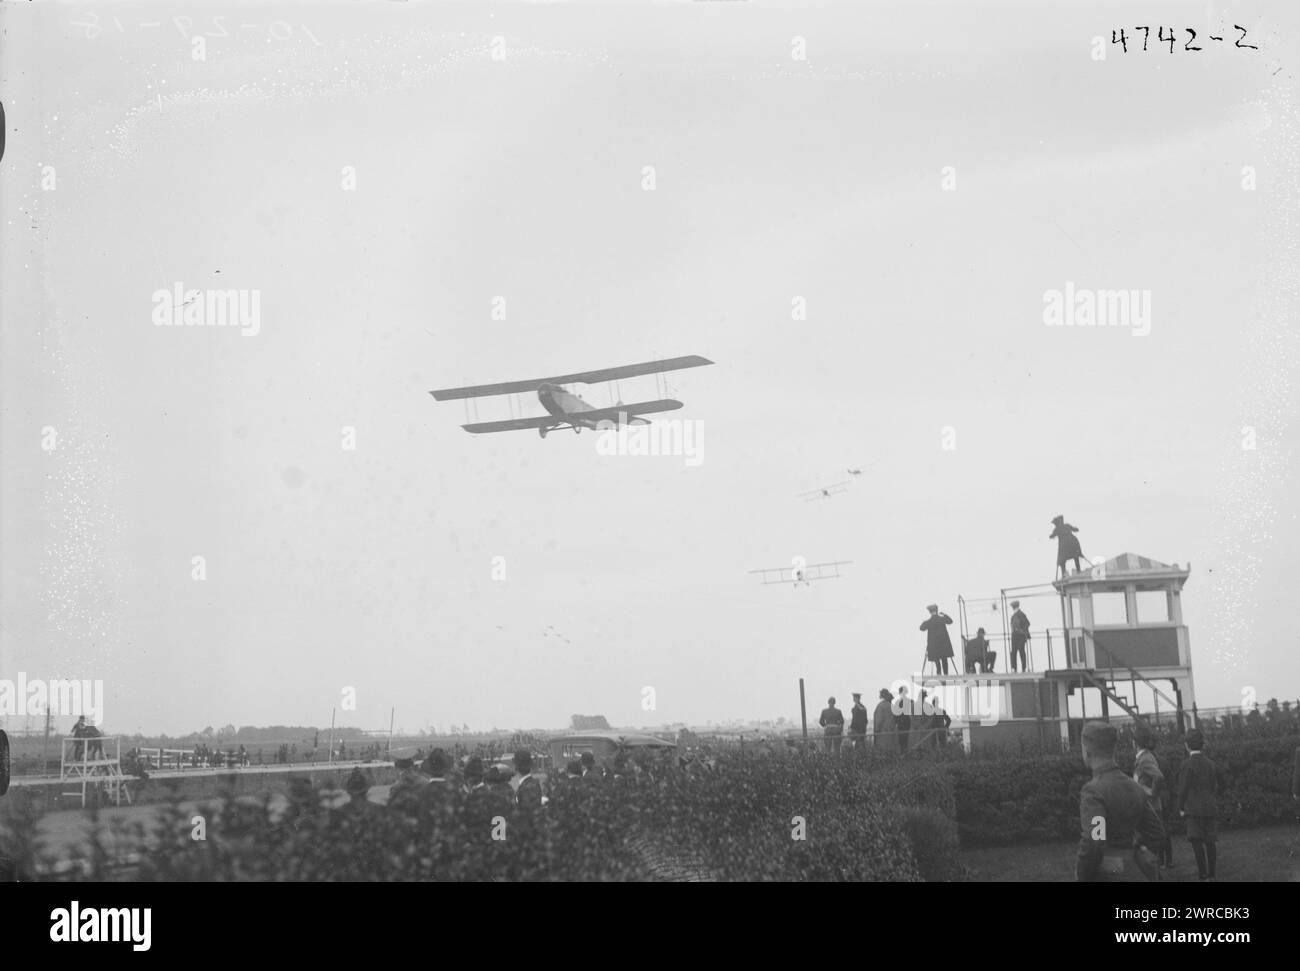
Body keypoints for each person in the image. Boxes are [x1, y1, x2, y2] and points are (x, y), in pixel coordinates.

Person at [1076, 721, 1164, 881]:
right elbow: (1156, 831)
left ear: (1087, 751)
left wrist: (1082, 876)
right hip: (1135, 871)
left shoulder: (1093, 791)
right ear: (1113, 748)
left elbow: (1094, 841)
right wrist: (1138, 854)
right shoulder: (1134, 786)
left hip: (1106, 874)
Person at [1176, 729, 1220, 882]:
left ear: (1187, 745)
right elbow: (1216, 785)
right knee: (1210, 842)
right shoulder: (1211, 764)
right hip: (1210, 807)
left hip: (1193, 809)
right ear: (1203, 745)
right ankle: (1212, 875)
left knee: (1197, 842)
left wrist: (1181, 807)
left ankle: (1202, 875)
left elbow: (1182, 789)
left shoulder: (1186, 765)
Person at [1132, 725, 1173, 869]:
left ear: (1135, 743)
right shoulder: (1145, 757)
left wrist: (1151, 791)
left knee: (1147, 846)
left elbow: (1159, 776)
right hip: (1148, 806)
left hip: (1150, 806)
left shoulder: (1145, 759)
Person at [920, 605, 954, 675]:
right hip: (943, 644)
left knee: (936, 659)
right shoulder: (942, 619)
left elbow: (921, 628)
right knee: (944, 659)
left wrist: (925, 622)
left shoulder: (929, 622)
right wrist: (944, 615)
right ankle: (946, 674)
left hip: (934, 646)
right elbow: (950, 621)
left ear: (930, 612)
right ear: (937, 610)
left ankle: (939, 673)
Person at [873, 688, 898, 752]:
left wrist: (876, 731)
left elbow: (879, 721)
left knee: (882, 752)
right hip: (891, 733)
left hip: (882, 734)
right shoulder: (891, 706)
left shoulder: (880, 706)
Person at [1009, 600, 1031, 672]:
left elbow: (1027, 623)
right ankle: (1014, 668)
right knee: (1014, 652)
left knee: (1021, 651)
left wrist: (1022, 630)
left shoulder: (1021, 614)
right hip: (1015, 635)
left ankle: (1023, 667)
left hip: (1020, 635)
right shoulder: (1015, 615)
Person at [895, 686, 913, 753]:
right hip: (907, 725)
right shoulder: (910, 702)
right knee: (905, 743)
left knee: (903, 744)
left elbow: (896, 716)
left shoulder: (898, 703)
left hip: (904, 726)